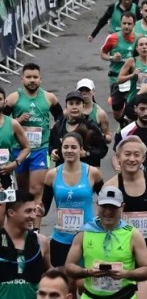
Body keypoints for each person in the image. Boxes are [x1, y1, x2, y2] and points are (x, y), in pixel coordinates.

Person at [103, 135, 147, 299]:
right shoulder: (111, 186)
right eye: (127, 154)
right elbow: (101, 219)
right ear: (118, 157)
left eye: (137, 155)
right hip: (121, 251)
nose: (132, 159)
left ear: (143, 157)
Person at [63, 186, 147, 299]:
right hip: (91, 296)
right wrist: (88, 272)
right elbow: (69, 267)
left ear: (122, 207)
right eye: (104, 206)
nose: (108, 211)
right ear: (97, 205)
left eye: (113, 207)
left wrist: (126, 274)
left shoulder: (133, 234)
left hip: (124, 296)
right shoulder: (84, 232)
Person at [42, 132, 102, 267]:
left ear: (81, 150)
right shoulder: (52, 175)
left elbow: (104, 199)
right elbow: (44, 208)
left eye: (73, 147)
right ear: (61, 149)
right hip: (61, 237)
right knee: (64, 283)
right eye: (66, 147)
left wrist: (101, 216)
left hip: (87, 236)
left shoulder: (92, 173)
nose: (69, 150)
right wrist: (37, 209)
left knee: (83, 283)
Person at [7, 63, 63, 202]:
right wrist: (18, 121)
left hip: (41, 149)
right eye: (28, 77)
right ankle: (24, 220)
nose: (32, 80)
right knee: (23, 191)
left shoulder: (49, 97)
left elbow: (60, 118)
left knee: (36, 189)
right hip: (18, 150)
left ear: (40, 79)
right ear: (22, 79)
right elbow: (3, 123)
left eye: (35, 77)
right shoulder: (14, 98)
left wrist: (53, 133)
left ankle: (35, 224)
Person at [0, 190, 50, 298]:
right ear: (11, 213)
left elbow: (49, 271)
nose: (33, 216)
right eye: (28, 211)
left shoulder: (41, 242)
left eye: (34, 211)